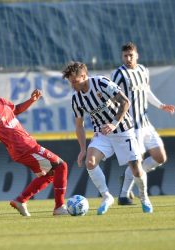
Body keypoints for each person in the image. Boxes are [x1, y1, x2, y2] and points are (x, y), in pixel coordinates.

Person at [62, 61, 153, 214]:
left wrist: (114, 123)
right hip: (102, 134)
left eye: (75, 81)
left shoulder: (101, 83)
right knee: (90, 162)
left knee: (136, 169)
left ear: (84, 76)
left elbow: (125, 102)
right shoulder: (76, 99)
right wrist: (83, 149)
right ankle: (106, 196)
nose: (73, 85)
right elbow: (79, 125)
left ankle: (144, 197)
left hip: (123, 129)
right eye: (70, 82)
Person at [0, 79, 68, 216]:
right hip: (24, 148)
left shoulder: (2, 101)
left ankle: (21, 200)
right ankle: (59, 207)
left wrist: (32, 100)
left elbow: (17, 110)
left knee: (50, 175)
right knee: (61, 166)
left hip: (26, 146)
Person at [111, 42, 175, 205]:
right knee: (136, 162)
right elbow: (111, 98)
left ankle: (128, 176)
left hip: (146, 124)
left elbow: (146, 92)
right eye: (125, 56)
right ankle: (124, 195)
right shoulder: (118, 74)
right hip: (131, 127)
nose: (128, 58)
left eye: (130, 55)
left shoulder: (142, 70)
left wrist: (161, 105)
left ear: (137, 55)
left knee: (160, 157)